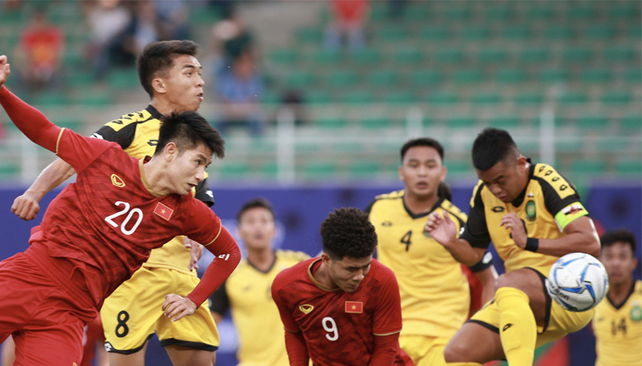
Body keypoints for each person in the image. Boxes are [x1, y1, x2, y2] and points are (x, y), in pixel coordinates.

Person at [0, 54, 241, 366]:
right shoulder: (106, 157)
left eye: (206, 167)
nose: (200, 175)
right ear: (170, 150)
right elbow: (44, 131)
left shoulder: (187, 212)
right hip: (30, 276)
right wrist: (3, 93)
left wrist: (193, 300)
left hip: (70, 313)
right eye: (198, 162)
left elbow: (228, 253)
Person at [425, 128, 601, 366]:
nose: (495, 189)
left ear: (520, 163)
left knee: (507, 282)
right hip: (518, 299)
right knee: (458, 353)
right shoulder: (484, 195)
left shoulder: (545, 180)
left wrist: (529, 242)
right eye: (486, 183)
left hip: (568, 292)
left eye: (500, 180)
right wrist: (451, 243)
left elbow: (590, 243)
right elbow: (474, 253)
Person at [366, 137, 497, 366]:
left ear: (442, 172)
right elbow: (340, 255)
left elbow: (489, 281)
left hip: (445, 338)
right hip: (390, 335)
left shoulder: (457, 221)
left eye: (430, 165)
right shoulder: (378, 208)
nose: (422, 173)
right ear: (401, 172)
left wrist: (479, 332)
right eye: (414, 165)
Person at [272, 207, 414, 366]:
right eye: (351, 269)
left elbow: (385, 348)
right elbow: (295, 334)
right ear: (326, 259)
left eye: (366, 265)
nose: (360, 276)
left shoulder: (383, 280)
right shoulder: (286, 287)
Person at [210, 198, 309, 366]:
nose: (258, 227)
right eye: (250, 221)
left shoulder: (299, 264)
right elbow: (207, 327)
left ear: (275, 229)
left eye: (264, 221)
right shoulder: (230, 277)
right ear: (239, 231)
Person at [593, 229, 641, 366]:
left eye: (622, 257)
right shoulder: (592, 298)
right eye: (609, 257)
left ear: (633, 263)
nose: (616, 264)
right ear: (600, 262)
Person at [13, 6, 64, 94]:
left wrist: (50, 66)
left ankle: (51, 97)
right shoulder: (29, 34)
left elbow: (58, 53)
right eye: (37, 20)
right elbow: (21, 52)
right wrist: (26, 67)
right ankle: (26, 96)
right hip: (32, 67)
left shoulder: (52, 33)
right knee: (20, 75)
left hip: (49, 67)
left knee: (54, 75)